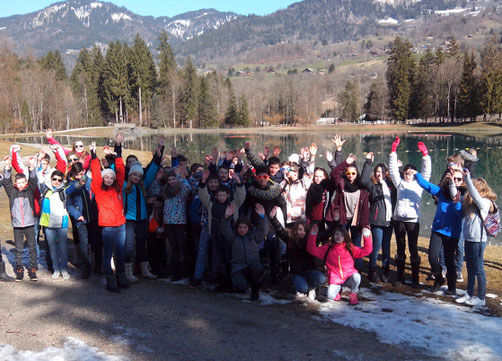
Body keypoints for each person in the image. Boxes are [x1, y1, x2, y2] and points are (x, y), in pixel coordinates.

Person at [413, 167, 464, 294]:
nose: (456, 180)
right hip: (437, 230)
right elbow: (428, 186)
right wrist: (416, 174)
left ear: (462, 181)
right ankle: (439, 278)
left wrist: (456, 202)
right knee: (432, 257)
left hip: (452, 233)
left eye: (459, 179)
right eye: (454, 178)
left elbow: (460, 213)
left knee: (449, 260)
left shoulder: (463, 195)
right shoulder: (442, 191)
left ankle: (451, 286)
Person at [388, 137, 431, 287]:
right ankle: (400, 277)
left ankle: (415, 279)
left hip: (413, 221)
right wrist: (393, 151)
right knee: (400, 247)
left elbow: (426, 172)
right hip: (399, 220)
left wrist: (425, 154)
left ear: (414, 174)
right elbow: (392, 170)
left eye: (411, 173)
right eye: (406, 172)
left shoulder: (419, 185)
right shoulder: (399, 184)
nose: (408, 175)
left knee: (413, 249)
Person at [90, 133, 127, 293]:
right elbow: (96, 174)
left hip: (121, 225)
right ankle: (110, 280)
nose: (109, 179)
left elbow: (120, 170)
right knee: (108, 254)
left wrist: (118, 148)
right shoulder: (99, 190)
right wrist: (93, 155)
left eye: (111, 177)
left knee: (120, 253)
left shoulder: (118, 187)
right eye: (107, 177)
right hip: (108, 227)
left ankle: (121, 277)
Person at [122, 139, 164, 282]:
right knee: (128, 246)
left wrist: (158, 155)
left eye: (139, 175)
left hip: (141, 220)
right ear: (130, 175)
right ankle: (127, 271)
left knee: (141, 243)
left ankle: (145, 269)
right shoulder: (124, 187)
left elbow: (152, 171)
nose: (137, 177)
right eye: (134, 175)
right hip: (128, 220)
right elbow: (118, 171)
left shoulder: (143, 185)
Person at [455, 171, 496, 307]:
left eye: (472, 186)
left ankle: (481, 297)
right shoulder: (471, 204)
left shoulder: (485, 202)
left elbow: (475, 196)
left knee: (478, 269)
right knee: (471, 268)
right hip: (469, 238)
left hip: (478, 240)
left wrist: (467, 179)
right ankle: (469, 293)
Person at [270, 206, 327, 300]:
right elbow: (280, 231)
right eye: (300, 230)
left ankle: (312, 288)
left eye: (304, 230)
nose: (302, 232)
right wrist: (273, 218)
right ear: (296, 230)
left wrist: (335, 222)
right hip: (297, 273)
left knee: (321, 278)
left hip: (310, 270)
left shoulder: (311, 240)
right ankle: (303, 287)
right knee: (302, 289)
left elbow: (326, 234)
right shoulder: (290, 240)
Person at [307, 224, 372, 305]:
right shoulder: (327, 248)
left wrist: (367, 236)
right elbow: (311, 249)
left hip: (349, 277)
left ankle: (353, 293)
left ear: (345, 237)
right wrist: (313, 234)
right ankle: (338, 290)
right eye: (336, 234)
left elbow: (367, 251)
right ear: (333, 235)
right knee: (331, 296)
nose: (338, 237)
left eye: (341, 235)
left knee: (357, 277)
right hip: (336, 279)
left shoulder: (349, 247)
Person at [327, 153, 370, 271]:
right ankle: (339, 266)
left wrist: (365, 224)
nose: (350, 176)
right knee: (341, 244)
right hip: (343, 219)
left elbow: (365, 209)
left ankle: (357, 269)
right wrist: (345, 162)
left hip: (356, 221)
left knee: (356, 245)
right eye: (348, 173)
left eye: (353, 173)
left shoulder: (362, 188)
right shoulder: (341, 183)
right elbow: (333, 173)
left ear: (357, 174)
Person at [221, 203, 267, 301]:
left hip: (253, 264)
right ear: (237, 228)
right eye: (240, 227)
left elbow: (263, 231)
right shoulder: (233, 237)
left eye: (245, 227)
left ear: (248, 227)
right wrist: (226, 217)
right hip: (239, 267)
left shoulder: (253, 236)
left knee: (258, 268)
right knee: (240, 284)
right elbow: (225, 230)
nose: (242, 230)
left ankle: (255, 290)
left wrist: (262, 217)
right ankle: (243, 285)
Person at [361, 152, 395, 282]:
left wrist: (398, 168)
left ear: (386, 173)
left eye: (381, 171)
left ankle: (385, 271)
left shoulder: (391, 186)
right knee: (376, 246)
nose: (379, 174)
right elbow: (364, 180)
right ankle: (372, 271)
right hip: (376, 221)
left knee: (386, 247)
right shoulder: (373, 186)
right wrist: (368, 162)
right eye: (377, 171)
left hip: (389, 221)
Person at [3, 156, 39, 281]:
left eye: (23, 182)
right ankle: (19, 270)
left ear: (26, 182)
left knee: (32, 248)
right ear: (15, 183)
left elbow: (34, 180)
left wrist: (32, 166)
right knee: (18, 249)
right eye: (19, 183)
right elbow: (6, 181)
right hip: (17, 225)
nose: (21, 185)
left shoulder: (30, 190)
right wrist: (7, 166)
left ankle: (33, 270)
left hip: (30, 224)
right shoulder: (12, 192)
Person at [40, 170, 70, 280]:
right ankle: (56, 269)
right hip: (48, 223)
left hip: (62, 222)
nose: (56, 181)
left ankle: (64, 269)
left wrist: (82, 180)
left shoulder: (65, 190)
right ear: (51, 178)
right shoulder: (44, 188)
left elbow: (77, 186)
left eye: (59, 180)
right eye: (54, 179)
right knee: (52, 249)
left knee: (63, 248)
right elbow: (36, 179)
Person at [163, 168, 192, 281]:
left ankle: (187, 269)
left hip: (179, 221)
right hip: (168, 222)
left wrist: (179, 176)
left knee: (182, 247)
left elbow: (188, 187)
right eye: (170, 179)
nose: (172, 181)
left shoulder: (181, 190)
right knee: (173, 248)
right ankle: (176, 270)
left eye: (173, 179)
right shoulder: (166, 191)